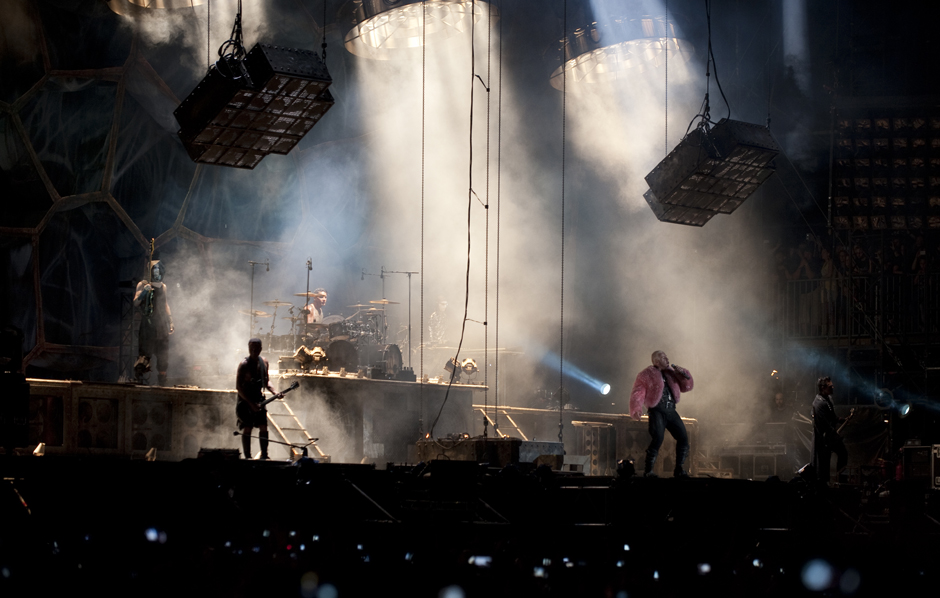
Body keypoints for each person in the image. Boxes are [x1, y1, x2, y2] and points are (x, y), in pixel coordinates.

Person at [629, 351, 694, 477]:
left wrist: (683, 374)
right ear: (656, 361)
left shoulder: (671, 373)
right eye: (664, 357)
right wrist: (636, 408)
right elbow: (638, 392)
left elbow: (686, 387)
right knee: (657, 439)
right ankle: (648, 471)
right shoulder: (646, 374)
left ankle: (679, 469)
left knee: (683, 438)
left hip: (671, 410)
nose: (667, 359)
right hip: (657, 410)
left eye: (667, 357)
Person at [133, 260, 174, 385]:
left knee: (163, 354)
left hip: (161, 324)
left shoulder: (163, 286)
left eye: (158, 270)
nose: (157, 273)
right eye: (154, 270)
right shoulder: (142, 284)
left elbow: (165, 304)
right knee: (144, 354)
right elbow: (136, 302)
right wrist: (143, 292)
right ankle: (139, 380)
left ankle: (162, 382)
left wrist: (170, 320)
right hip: (148, 324)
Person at [236, 337, 276, 460]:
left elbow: (266, 381)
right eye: (251, 348)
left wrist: (275, 392)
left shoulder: (264, 363)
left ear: (260, 349)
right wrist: (250, 404)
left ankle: (264, 454)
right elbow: (238, 387)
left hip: (259, 399)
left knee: (263, 426)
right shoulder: (244, 365)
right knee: (247, 428)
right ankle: (248, 456)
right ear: (248, 348)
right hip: (245, 401)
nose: (254, 350)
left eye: (256, 348)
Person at [811, 376, 848, 488]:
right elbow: (824, 425)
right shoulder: (818, 404)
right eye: (830, 386)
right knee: (823, 464)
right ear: (823, 388)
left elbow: (831, 416)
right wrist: (834, 435)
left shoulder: (828, 399)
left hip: (829, 436)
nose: (833, 388)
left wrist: (840, 419)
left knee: (842, 453)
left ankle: (839, 479)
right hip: (823, 438)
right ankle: (822, 487)